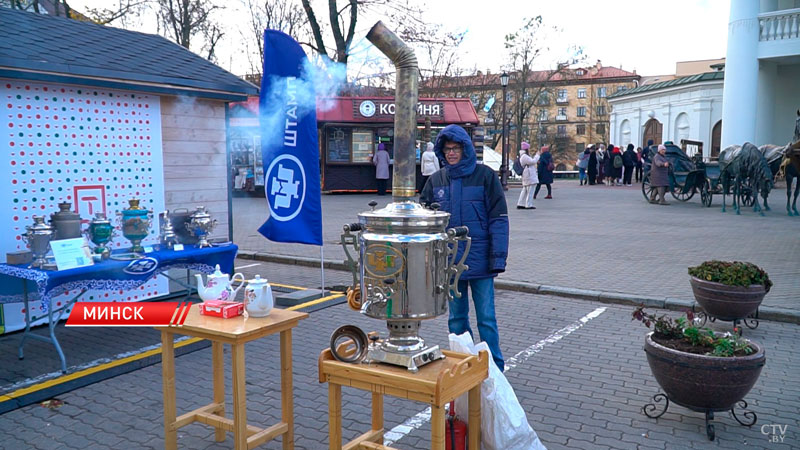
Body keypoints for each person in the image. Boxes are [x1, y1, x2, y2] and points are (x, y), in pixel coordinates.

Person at [420, 124, 508, 371]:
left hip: (481, 261)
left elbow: (499, 220)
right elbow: (425, 220)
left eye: (455, 148)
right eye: (447, 149)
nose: (451, 153)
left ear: (465, 149)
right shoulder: (436, 180)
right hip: (449, 263)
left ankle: (495, 369)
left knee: (486, 320)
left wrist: (497, 258)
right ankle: (463, 367)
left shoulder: (485, 176)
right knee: (456, 319)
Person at [517, 142, 539, 209]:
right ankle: (528, 204)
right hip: (529, 175)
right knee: (530, 190)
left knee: (525, 190)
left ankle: (520, 203)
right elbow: (533, 161)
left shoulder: (523, 156)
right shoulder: (525, 156)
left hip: (527, 174)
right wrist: (537, 155)